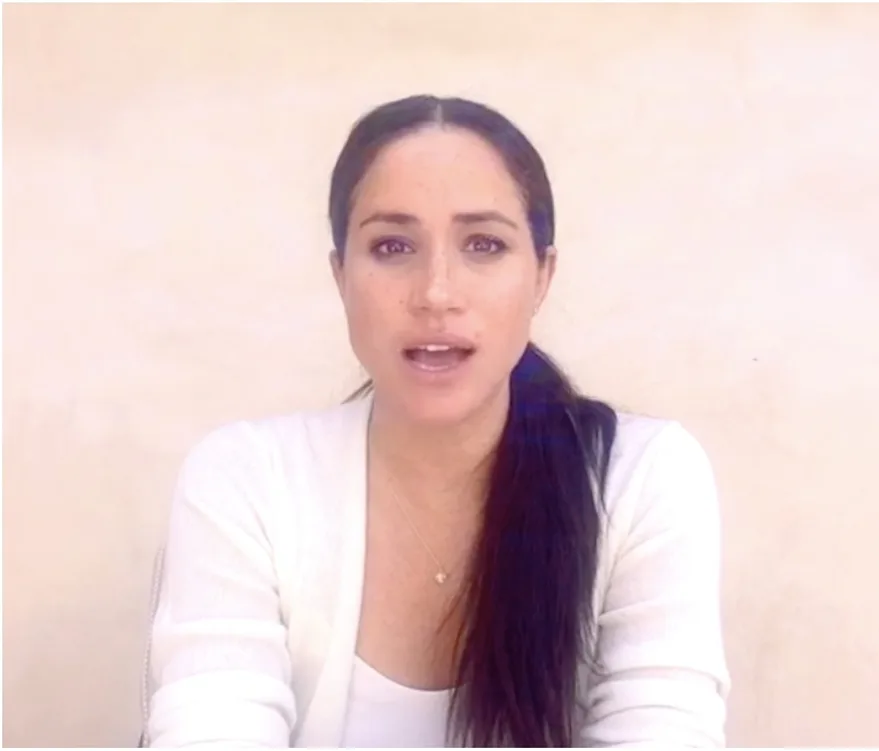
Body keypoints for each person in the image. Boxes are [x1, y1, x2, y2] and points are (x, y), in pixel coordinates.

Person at [144, 94, 729, 748]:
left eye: (484, 244)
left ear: (542, 276)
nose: (436, 293)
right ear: (341, 275)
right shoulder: (246, 481)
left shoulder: (641, 480)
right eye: (393, 246)